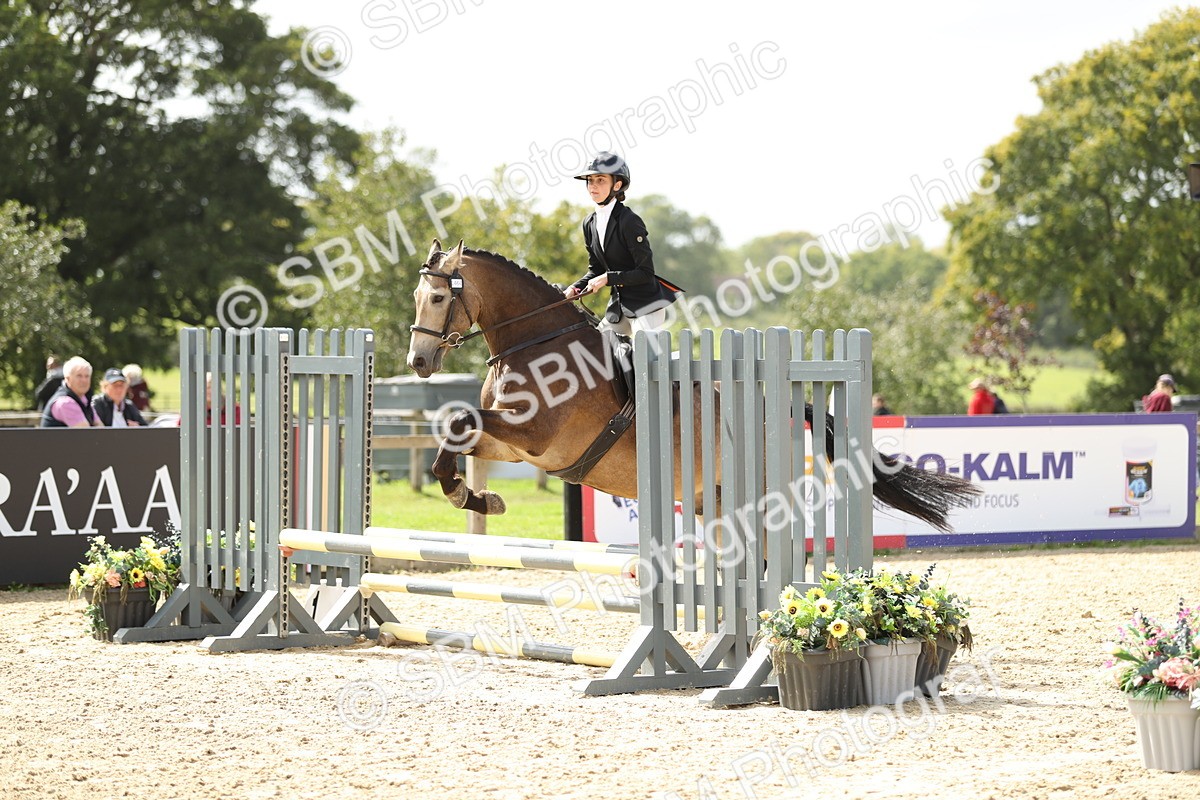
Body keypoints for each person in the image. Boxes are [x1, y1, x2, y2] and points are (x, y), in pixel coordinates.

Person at [563, 152, 681, 336]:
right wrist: (574, 288)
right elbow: (595, 270)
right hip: (618, 308)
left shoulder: (629, 221)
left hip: (646, 305)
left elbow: (645, 272)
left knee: (642, 357)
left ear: (617, 185)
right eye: (590, 180)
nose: (593, 186)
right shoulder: (589, 223)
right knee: (597, 350)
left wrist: (608, 278)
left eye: (600, 180)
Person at [39, 356, 101, 427]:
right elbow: (88, 435)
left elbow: (100, 428)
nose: (84, 380)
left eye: (87, 376)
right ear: (67, 378)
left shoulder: (84, 399)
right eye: (79, 376)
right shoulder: (65, 402)